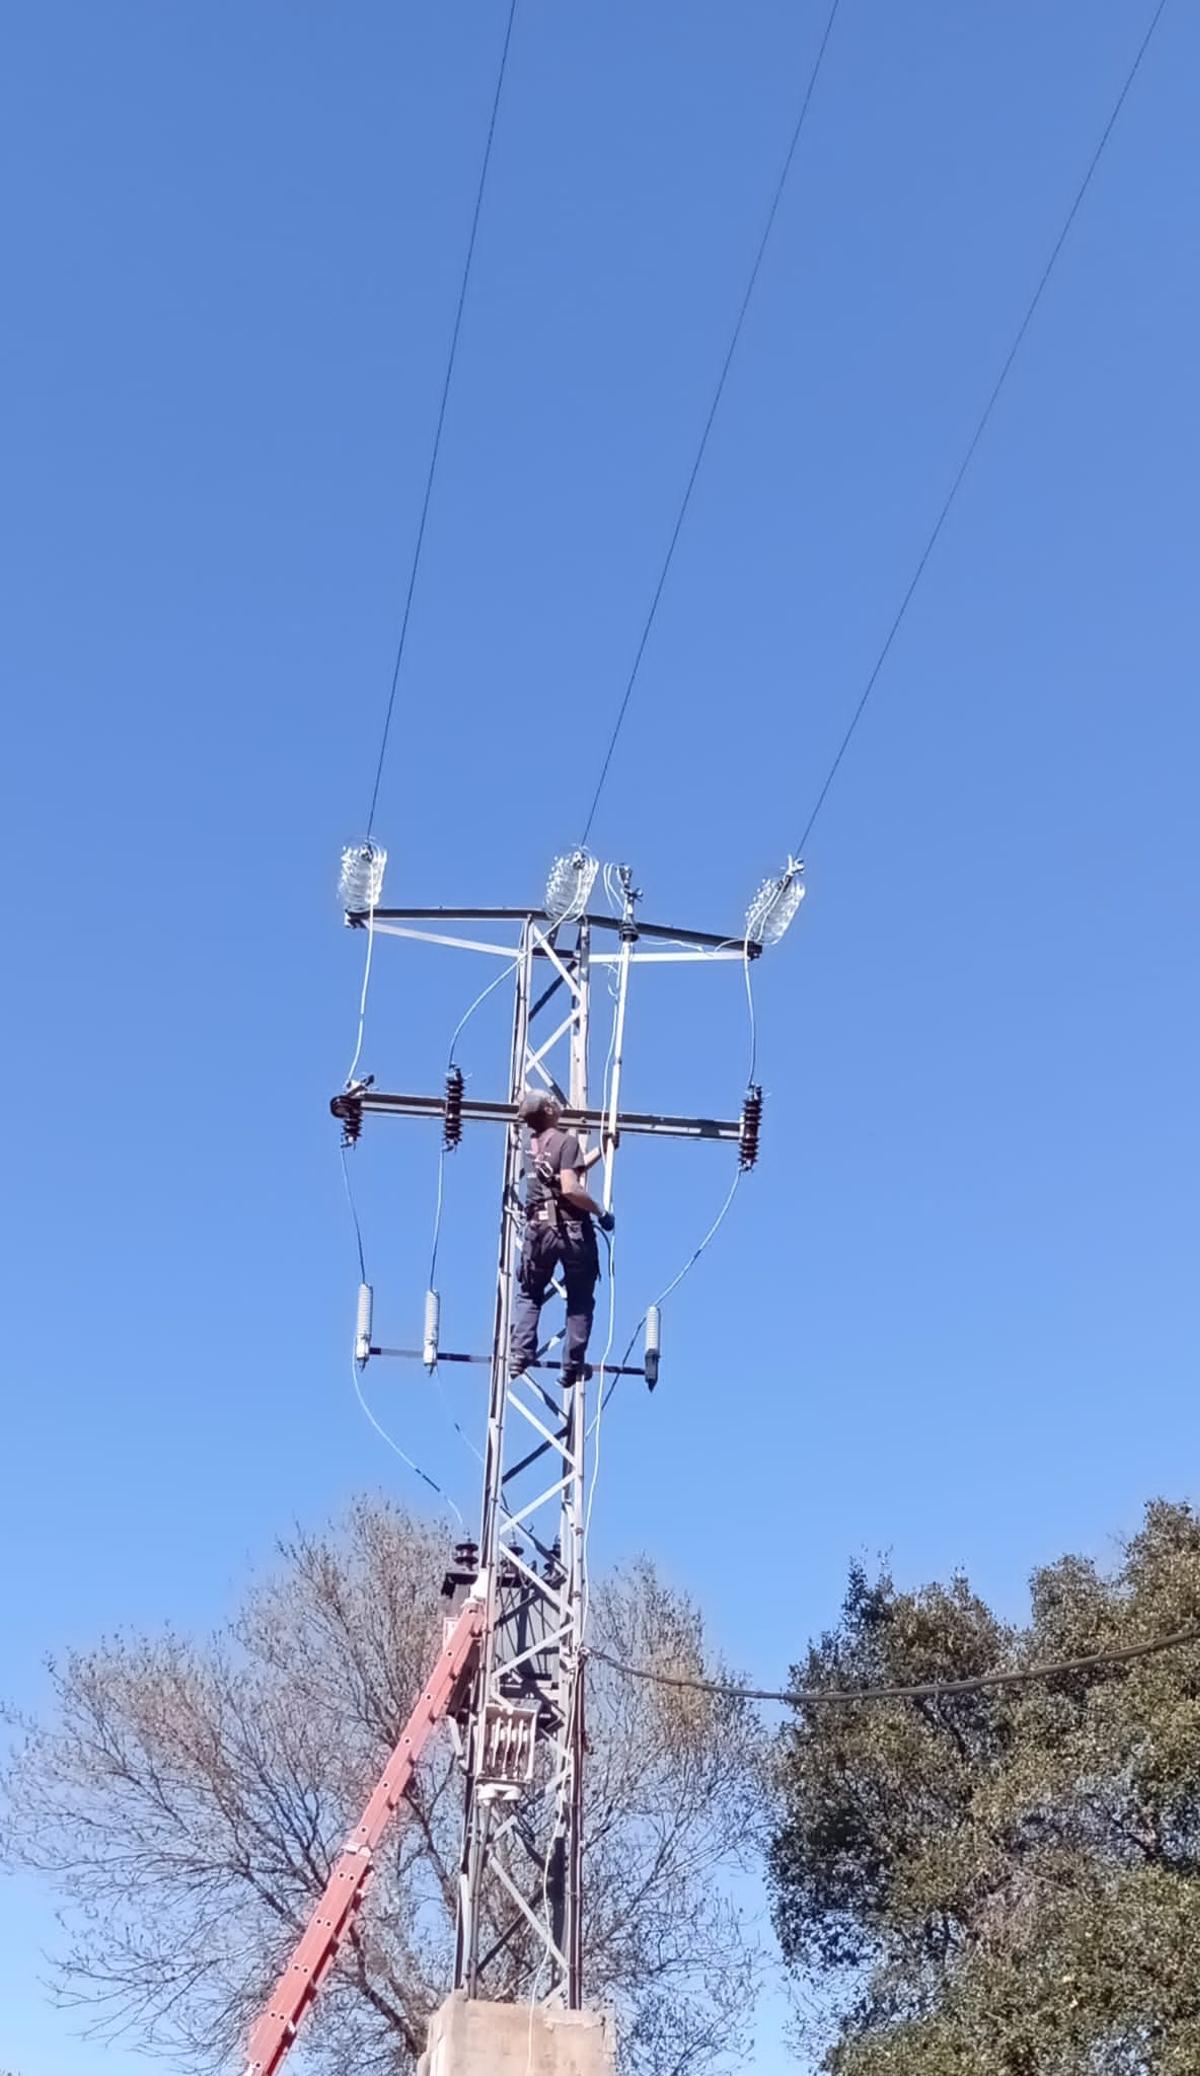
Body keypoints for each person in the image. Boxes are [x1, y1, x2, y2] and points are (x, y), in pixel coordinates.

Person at [509, 1090, 615, 1386]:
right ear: (548, 1109)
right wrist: (600, 1211)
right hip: (571, 1232)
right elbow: (570, 1188)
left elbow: (561, 1176)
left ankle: (520, 1354)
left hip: (538, 1231)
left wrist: (601, 1151)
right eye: (553, 1102)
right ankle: (572, 1365)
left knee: (530, 1293)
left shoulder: (529, 1149)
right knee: (580, 1299)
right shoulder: (566, 1141)